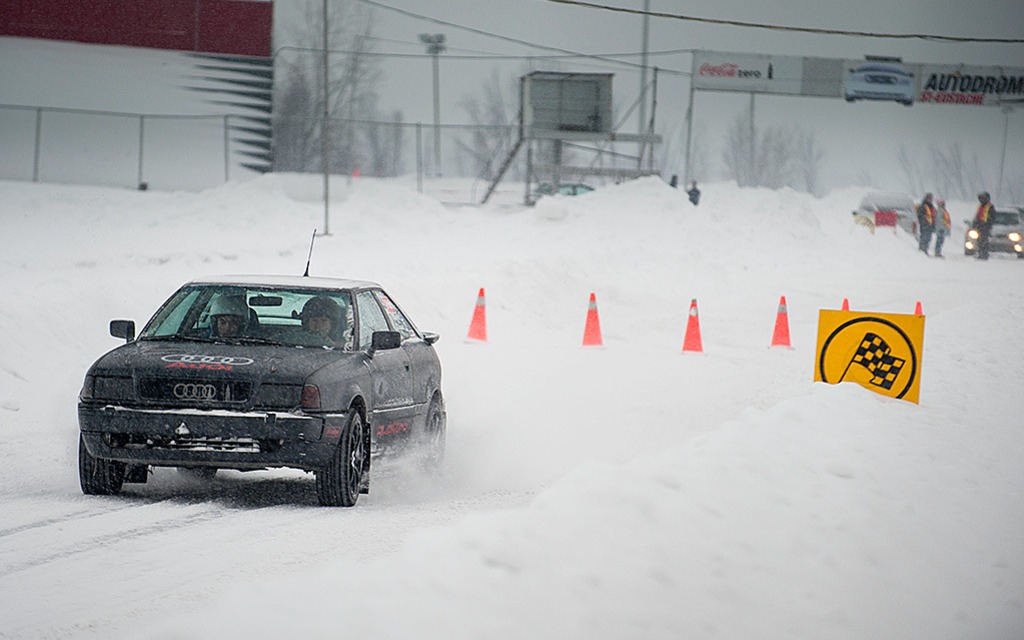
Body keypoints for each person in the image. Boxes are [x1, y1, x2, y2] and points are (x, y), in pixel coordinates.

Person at [974, 191, 994, 260]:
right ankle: (980, 253)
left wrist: (988, 225)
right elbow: (978, 215)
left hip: (985, 226)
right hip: (980, 226)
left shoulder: (990, 207)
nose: (981, 199)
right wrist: (975, 223)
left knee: (984, 241)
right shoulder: (981, 206)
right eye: (980, 198)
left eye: (983, 198)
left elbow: (992, 217)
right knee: (979, 240)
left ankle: (984, 254)